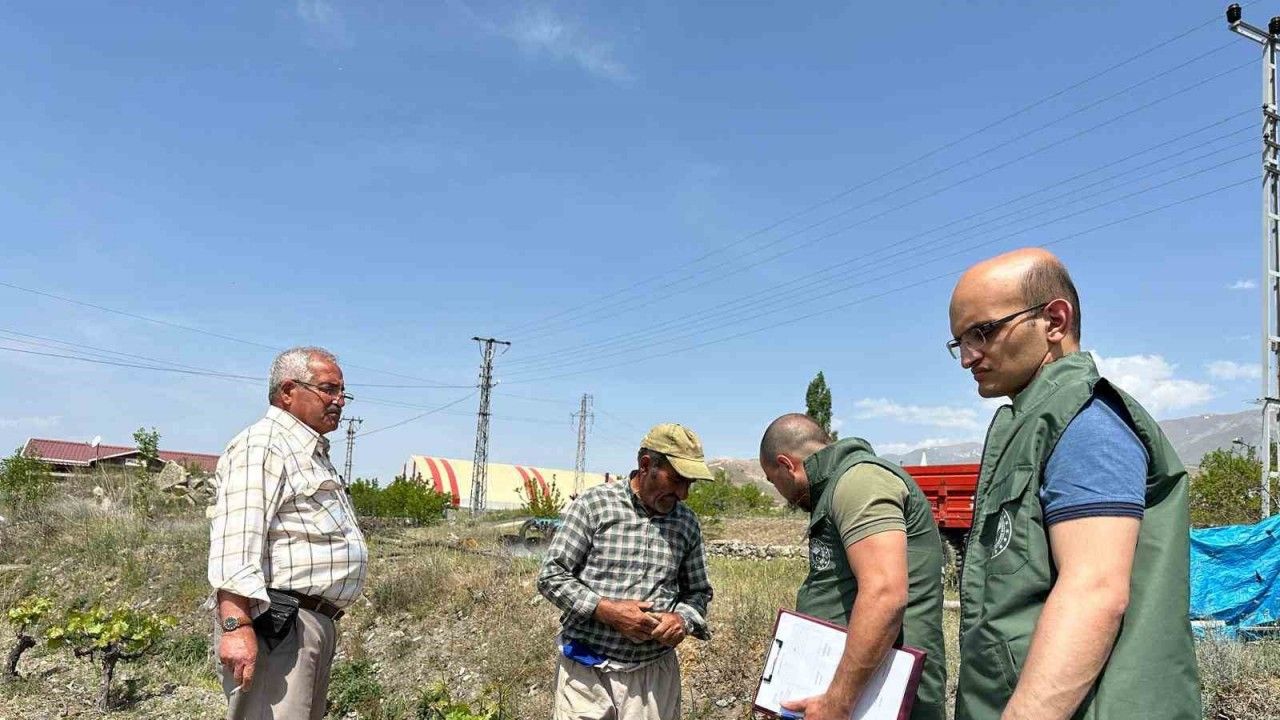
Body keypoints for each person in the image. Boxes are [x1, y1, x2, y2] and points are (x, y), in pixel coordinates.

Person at [947, 248, 1200, 720]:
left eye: (982, 333)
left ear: (1055, 321)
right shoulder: (1037, 423)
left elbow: (1094, 591)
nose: (967, 358)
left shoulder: (1086, 426)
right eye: (958, 341)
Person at [208, 346, 369, 720]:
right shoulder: (264, 444)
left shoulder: (308, 451)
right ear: (287, 391)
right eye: (329, 389)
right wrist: (236, 625)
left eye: (342, 392)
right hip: (278, 626)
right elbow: (236, 539)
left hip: (309, 626)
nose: (339, 401)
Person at [758, 414, 946, 720]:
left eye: (771, 479)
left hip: (883, 697)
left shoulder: (859, 482)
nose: (777, 489)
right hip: (861, 691)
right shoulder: (836, 487)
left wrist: (837, 702)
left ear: (786, 465)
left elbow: (884, 594)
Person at [537, 423, 715, 720]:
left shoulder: (687, 523)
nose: (684, 493)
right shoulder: (595, 505)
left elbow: (698, 592)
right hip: (586, 675)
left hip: (651, 678)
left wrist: (681, 620)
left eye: (690, 483)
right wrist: (606, 610)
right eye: (678, 480)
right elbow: (552, 575)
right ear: (646, 465)